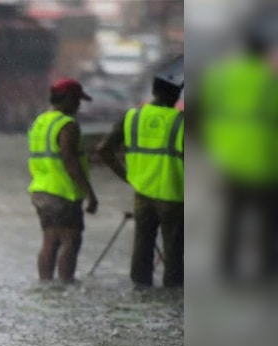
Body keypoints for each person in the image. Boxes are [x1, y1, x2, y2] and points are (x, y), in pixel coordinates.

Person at [199, 21, 278, 281]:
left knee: (232, 216)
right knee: (267, 219)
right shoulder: (269, 80)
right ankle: (266, 269)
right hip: (265, 159)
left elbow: (203, 113)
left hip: (228, 158)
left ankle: (227, 268)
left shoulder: (221, 77)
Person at [96, 60, 184, 288]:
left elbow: (103, 149)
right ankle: (172, 298)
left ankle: (140, 292)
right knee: (174, 253)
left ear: (154, 91)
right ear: (177, 95)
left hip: (142, 193)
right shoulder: (181, 121)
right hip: (174, 196)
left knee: (142, 246)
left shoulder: (132, 117)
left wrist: (128, 177)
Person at [27, 78, 99, 283]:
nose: (78, 105)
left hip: (40, 191)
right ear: (66, 99)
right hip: (62, 191)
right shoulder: (67, 125)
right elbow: (69, 161)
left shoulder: (39, 122)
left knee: (50, 240)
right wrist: (89, 194)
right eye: (76, 100)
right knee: (70, 240)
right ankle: (66, 285)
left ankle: (46, 284)